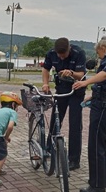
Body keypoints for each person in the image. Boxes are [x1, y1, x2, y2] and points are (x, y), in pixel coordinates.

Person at [73, 36, 106, 192]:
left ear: (102, 49)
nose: (98, 56)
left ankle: (96, 185)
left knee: (95, 144)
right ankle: (105, 180)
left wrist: (85, 82)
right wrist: (94, 95)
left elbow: (105, 75)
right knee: (100, 143)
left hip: (105, 105)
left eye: (98, 53)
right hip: (104, 102)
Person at [42, 37, 86, 171]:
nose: (61, 58)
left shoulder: (79, 53)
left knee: (74, 124)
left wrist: (72, 73)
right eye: (58, 55)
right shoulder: (51, 53)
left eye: (64, 55)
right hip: (61, 88)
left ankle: (74, 159)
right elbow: (46, 69)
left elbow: (81, 74)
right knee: (56, 118)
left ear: (69, 49)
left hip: (76, 89)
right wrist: (45, 83)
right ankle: (49, 147)